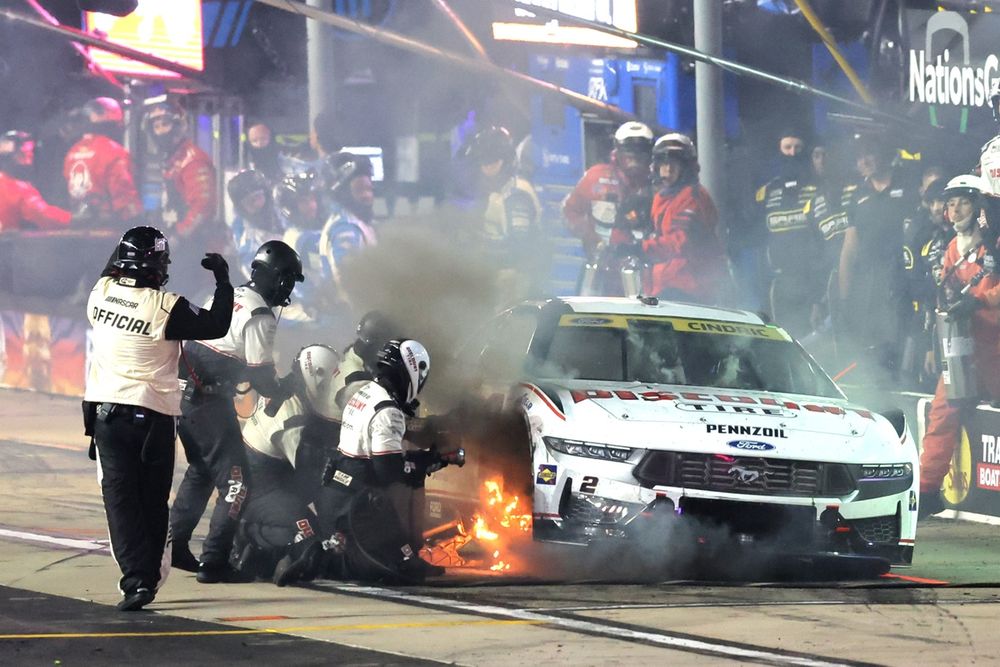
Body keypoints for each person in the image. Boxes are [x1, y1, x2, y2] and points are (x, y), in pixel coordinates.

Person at [83, 225, 233, 611]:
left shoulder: (99, 293)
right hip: (154, 419)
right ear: (157, 266)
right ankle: (149, 576)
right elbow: (217, 325)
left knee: (120, 503)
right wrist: (223, 280)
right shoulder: (166, 307)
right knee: (152, 502)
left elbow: (109, 269)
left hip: (107, 417)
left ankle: (136, 582)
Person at [169, 240, 304, 583]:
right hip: (208, 403)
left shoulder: (233, 295)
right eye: (287, 279)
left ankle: (173, 545)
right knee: (237, 481)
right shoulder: (260, 314)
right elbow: (261, 374)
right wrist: (288, 386)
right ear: (275, 277)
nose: (288, 288)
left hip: (184, 398)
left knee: (201, 471)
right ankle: (214, 560)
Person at [316, 338, 452, 583]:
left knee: (369, 558)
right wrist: (423, 462)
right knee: (405, 571)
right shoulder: (387, 411)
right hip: (360, 503)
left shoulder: (365, 392)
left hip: (334, 493)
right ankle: (320, 559)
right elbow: (387, 471)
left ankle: (330, 555)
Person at [918, 174, 1000, 518]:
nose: (954, 210)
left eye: (962, 202)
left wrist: (980, 302)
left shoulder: (994, 244)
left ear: (979, 206)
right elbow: (945, 296)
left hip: (995, 346)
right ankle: (926, 490)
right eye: (950, 203)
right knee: (941, 412)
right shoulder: (953, 247)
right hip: (965, 346)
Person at [234, 344, 342, 585]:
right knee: (308, 536)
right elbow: (306, 467)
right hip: (259, 488)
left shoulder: (288, 390)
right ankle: (246, 531)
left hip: (268, 481)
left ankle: (265, 549)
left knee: (314, 537)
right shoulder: (290, 410)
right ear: (318, 376)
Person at [837, 135, 916, 384]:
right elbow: (849, 248)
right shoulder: (856, 196)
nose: (864, 161)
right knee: (873, 351)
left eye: (869, 153)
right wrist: (845, 296)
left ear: (883, 154)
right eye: (859, 157)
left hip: (906, 278)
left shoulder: (909, 186)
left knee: (905, 348)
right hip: (870, 283)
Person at [642, 133, 729, 304]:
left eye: (674, 164)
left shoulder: (693, 196)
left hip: (691, 287)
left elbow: (681, 241)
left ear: (686, 167)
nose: (667, 170)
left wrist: (641, 248)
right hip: (664, 286)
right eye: (663, 164)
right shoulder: (661, 198)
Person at [755, 128, 820, 336]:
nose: (792, 153)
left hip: (812, 280)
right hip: (779, 282)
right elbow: (757, 239)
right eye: (787, 147)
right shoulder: (766, 192)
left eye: (798, 148)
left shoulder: (819, 188)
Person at [563, 121, 655, 263]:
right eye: (629, 156)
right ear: (617, 152)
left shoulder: (660, 185)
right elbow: (569, 211)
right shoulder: (596, 177)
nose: (634, 162)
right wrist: (591, 237)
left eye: (640, 156)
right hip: (602, 267)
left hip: (646, 268)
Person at [143, 97, 221, 250]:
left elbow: (202, 207)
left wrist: (177, 238)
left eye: (165, 124)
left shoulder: (192, 159)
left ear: (178, 126)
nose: (160, 131)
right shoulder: (171, 158)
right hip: (171, 235)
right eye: (156, 126)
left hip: (192, 244)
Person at [62, 98, 143, 231]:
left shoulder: (72, 152)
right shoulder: (114, 151)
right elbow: (125, 199)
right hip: (107, 232)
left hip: (78, 229)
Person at [1, 131, 71, 231]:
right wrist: (75, 220)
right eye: (28, 154)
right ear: (17, 156)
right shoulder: (19, 189)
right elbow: (46, 217)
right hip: (9, 245)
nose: (31, 158)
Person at [226, 169, 283, 281]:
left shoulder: (282, 205)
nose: (257, 204)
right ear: (241, 207)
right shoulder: (244, 235)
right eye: (250, 201)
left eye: (258, 197)